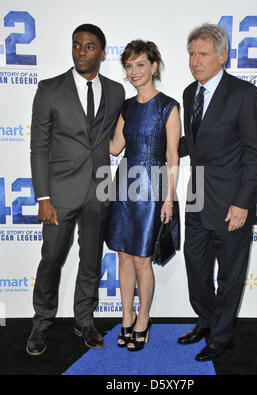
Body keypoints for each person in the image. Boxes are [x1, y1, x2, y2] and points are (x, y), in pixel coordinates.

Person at [26, 24, 125, 356]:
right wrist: (43, 197)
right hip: (59, 194)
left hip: (99, 192)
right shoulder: (50, 89)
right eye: (77, 45)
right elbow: (39, 148)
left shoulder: (115, 92)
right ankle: (41, 323)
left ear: (102, 52)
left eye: (90, 46)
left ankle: (84, 320)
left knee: (91, 261)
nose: (82, 52)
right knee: (52, 259)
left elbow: (116, 140)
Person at [178, 24, 257, 361]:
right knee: (196, 268)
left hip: (231, 203)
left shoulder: (244, 94)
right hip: (196, 197)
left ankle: (223, 336)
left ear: (222, 56)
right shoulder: (189, 93)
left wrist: (243, 202)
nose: (195, 61)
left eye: (202, 54)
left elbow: (255, 153)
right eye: (191, 54)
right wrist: (161, 144)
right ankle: (206, 320)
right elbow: (195, 144)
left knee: (230, 275)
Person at [106, 40, 181, 352]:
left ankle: (143, 320)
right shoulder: (126, 106)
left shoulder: (168, 106)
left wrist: (168, 199)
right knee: (122, 254)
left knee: (141, 258)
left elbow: (173, 157)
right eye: (129, 65)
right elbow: (114, 147)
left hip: (152, 188)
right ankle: (126, 316)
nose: (134, 71)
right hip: (124, 184)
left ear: (154, 67)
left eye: (140, 64)